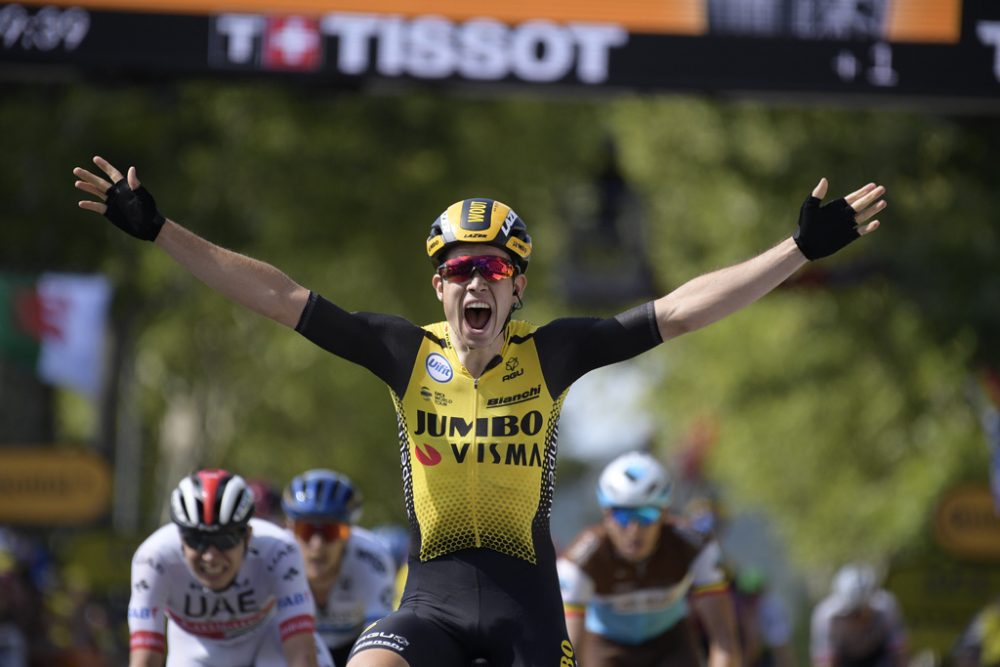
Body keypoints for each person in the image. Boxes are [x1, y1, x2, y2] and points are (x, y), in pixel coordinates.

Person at [74, 155, 886, 667]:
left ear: (516, 286)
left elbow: (679, 310)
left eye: (495, 269)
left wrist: (797, 252)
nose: (476, 281)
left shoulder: (555, 353)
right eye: (459, 267)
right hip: (426, 601)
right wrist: (161, 233)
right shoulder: (402, 354)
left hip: (527, 609)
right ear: (438, 283)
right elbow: (280, 296)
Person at [126, 469, 334, 667]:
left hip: (270, 645)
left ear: (248, 537)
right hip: (194, 654)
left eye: (225, 540)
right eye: (197, 540)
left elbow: (301, 653)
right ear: (181, 539)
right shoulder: (153, 558)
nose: (210, 556)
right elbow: (145, 659)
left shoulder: (280, 551)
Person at [557, 451, 740, 667]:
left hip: (670, 642)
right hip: (606, 646)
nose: (634, 530)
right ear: (606, 515)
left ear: (664, 513)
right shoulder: (580, 560)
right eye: (622, 515)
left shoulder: (694, 547)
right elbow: (568, 650)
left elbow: (724, 641)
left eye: (646, 514)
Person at [282, 469, 397, 666]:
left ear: (348, 533)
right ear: (290, 529)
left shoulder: (373, 559)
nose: (317, 545)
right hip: (291, 646)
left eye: (331, 531)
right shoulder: (276, 557)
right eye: (306, 530)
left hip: (354, 646)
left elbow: (379, 641)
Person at [809, 563, 908, 667]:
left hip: (879, 656)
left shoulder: (886, 607)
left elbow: (899, 652)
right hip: (843, 659)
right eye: (853, 613)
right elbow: (824, 662)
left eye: (862, 611)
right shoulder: (825, 617)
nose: (858, 619)